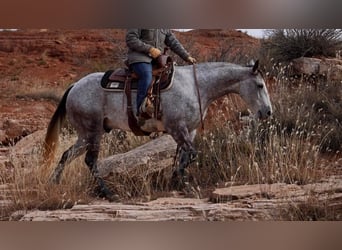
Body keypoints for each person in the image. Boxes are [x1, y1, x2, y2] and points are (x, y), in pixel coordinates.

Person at [126, 29, 196, 122]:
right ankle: (141, 111)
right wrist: (149, 49)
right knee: (146, 76)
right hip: (140, 58)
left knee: (172, 76)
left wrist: (186, 56)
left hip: (157, 60)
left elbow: (173, 42)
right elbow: (131, 39)